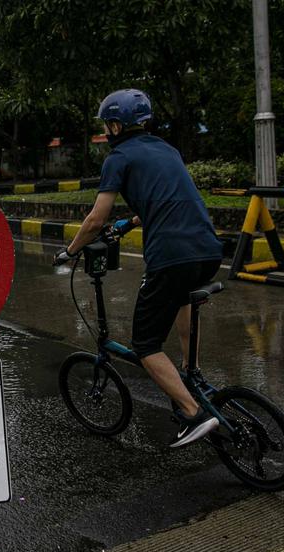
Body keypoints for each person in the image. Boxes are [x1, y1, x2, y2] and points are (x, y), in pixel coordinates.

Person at [58, 89, 224, 448]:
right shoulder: (167, 150)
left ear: (117, 125)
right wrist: (132, 221)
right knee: (183, 301)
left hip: (171, 256)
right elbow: (167, 197)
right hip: (208, 250)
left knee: (146, 344)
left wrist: (71, 251)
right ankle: (192, 374)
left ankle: (192, 412)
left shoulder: (118, 158)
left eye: (107, 124)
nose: (106, 131)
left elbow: (95, 219)